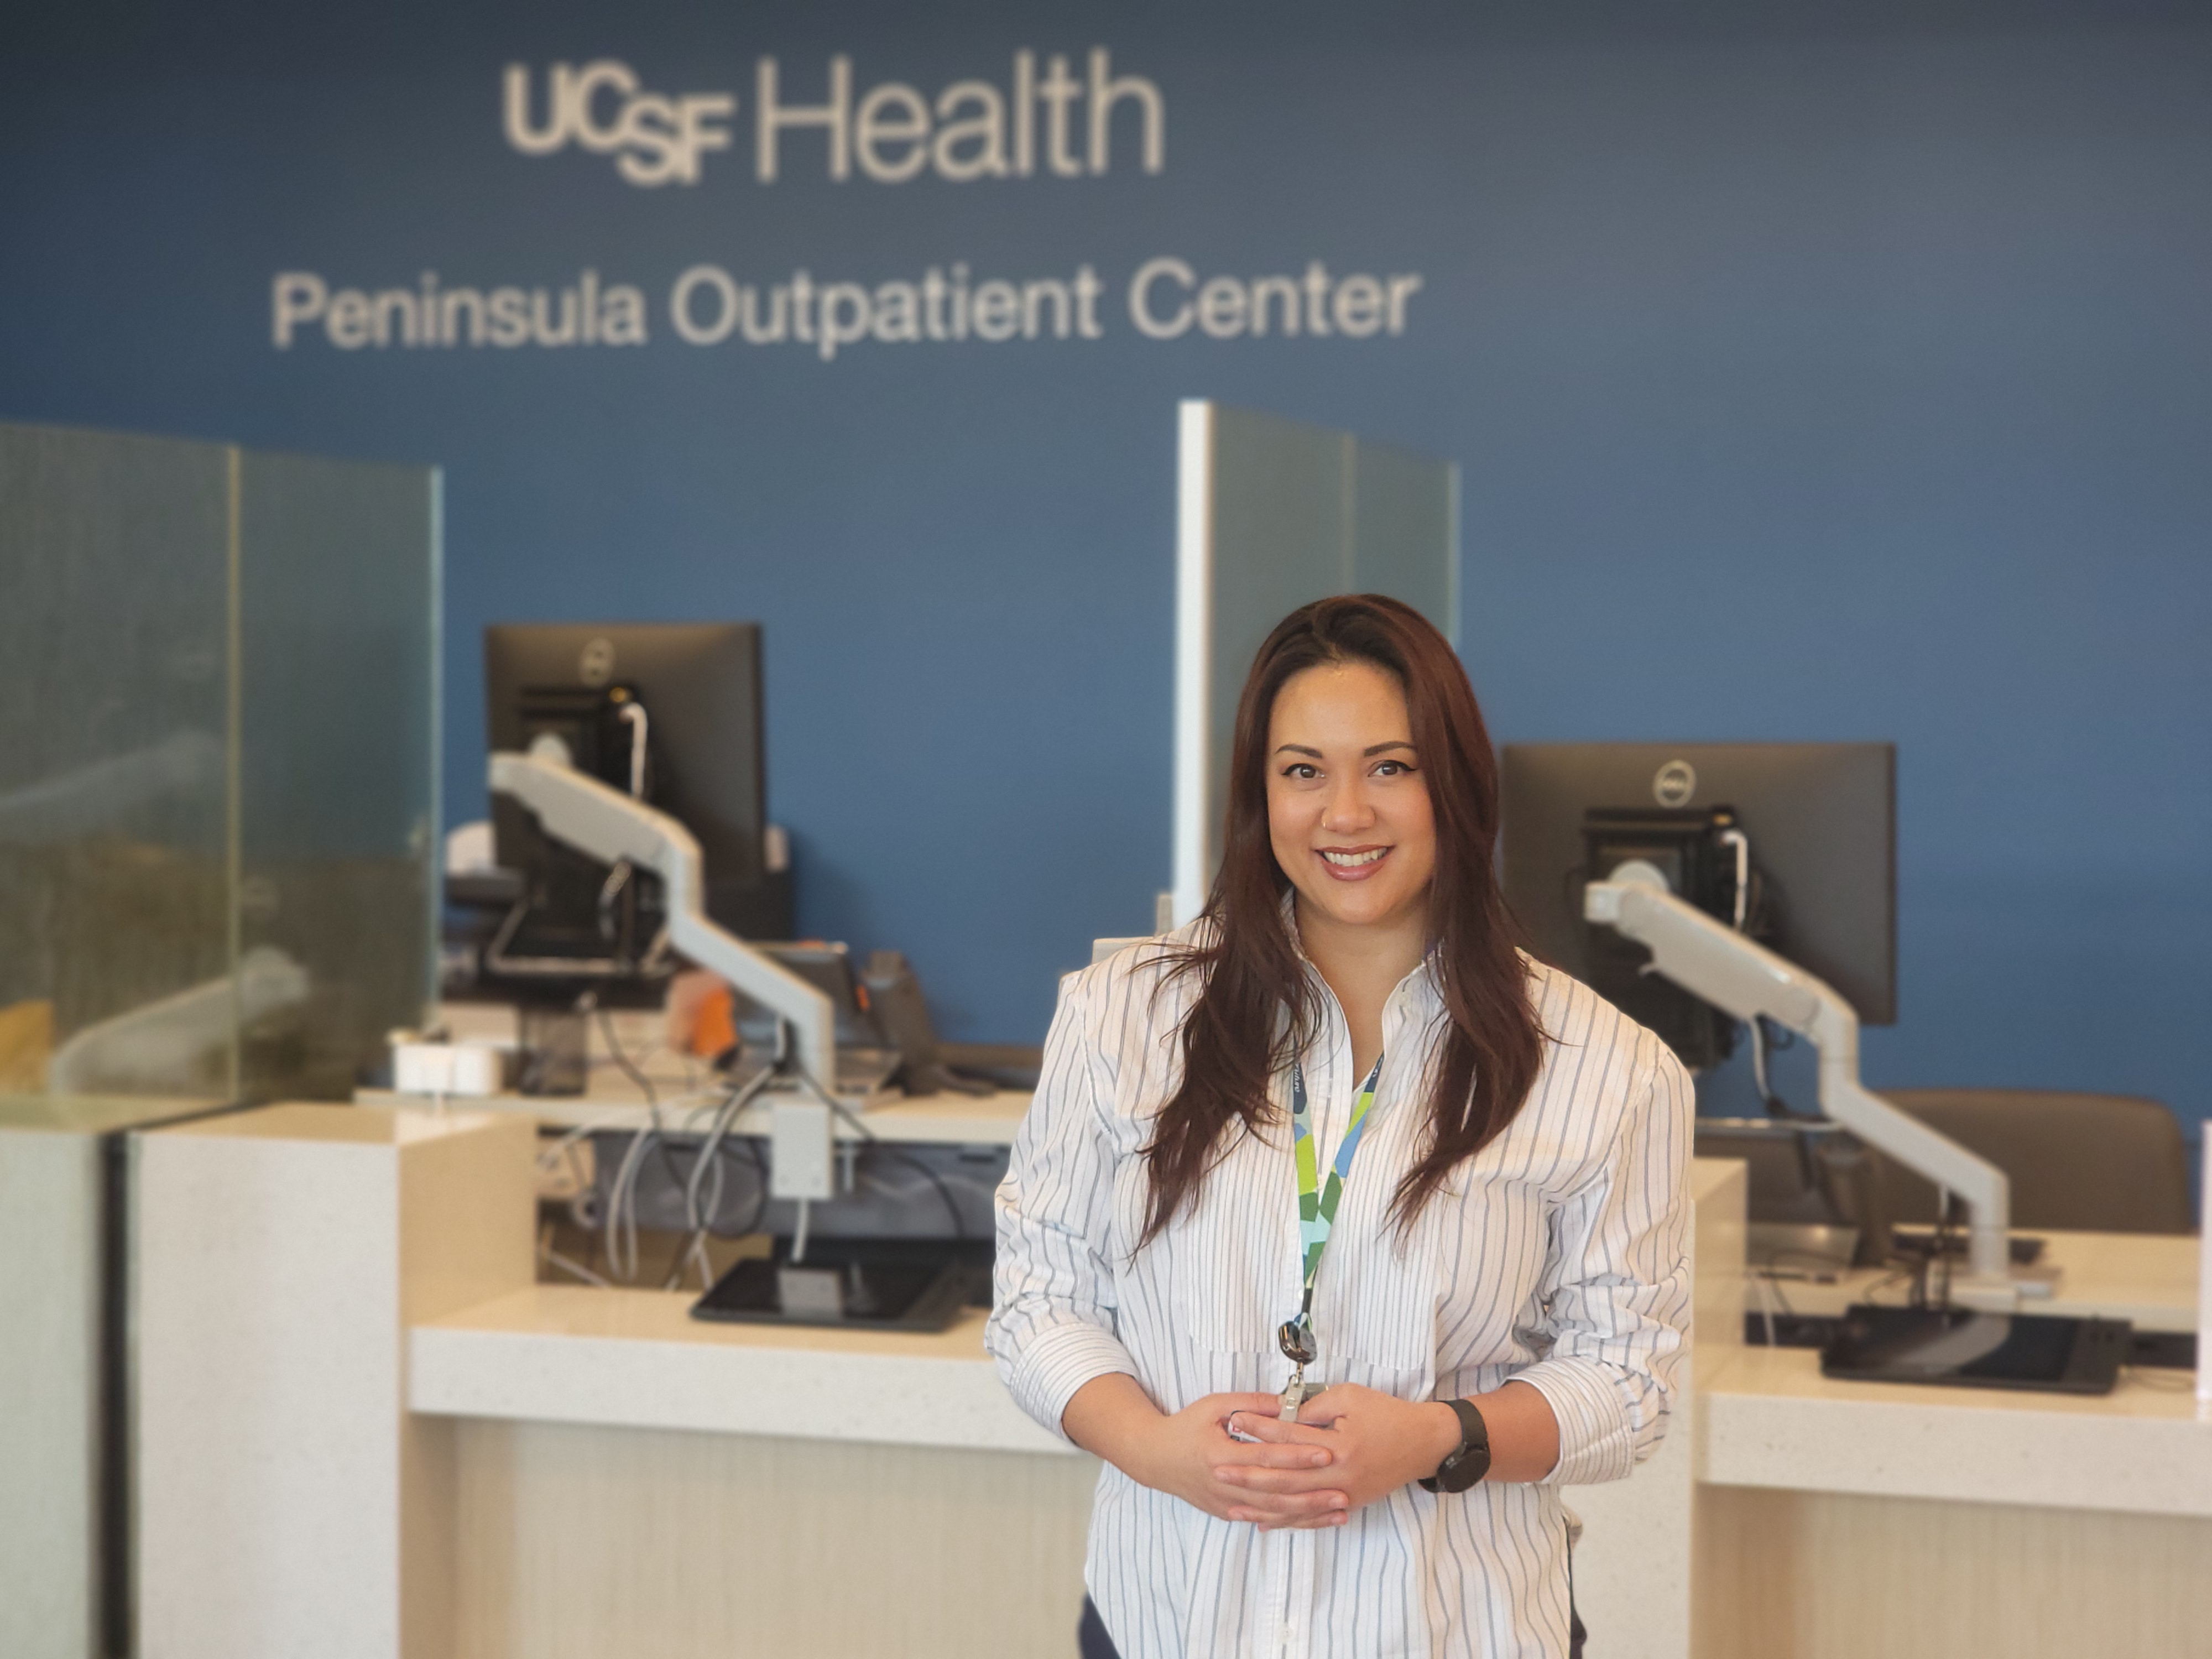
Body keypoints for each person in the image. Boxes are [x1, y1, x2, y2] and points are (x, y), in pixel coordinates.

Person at [987, 595, 1692, 1659]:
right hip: (1167, 1618)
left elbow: (1629, 1384)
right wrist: (1159, 1449)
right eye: (1304, 771)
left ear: (1455, 785)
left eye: (1391, 767)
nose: (1345, 814)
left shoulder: (1608, 1068)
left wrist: (1436, 1439)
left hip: (1458, 1628)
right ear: (1259, 793)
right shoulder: (1121, 1014)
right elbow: (1039, 1299)